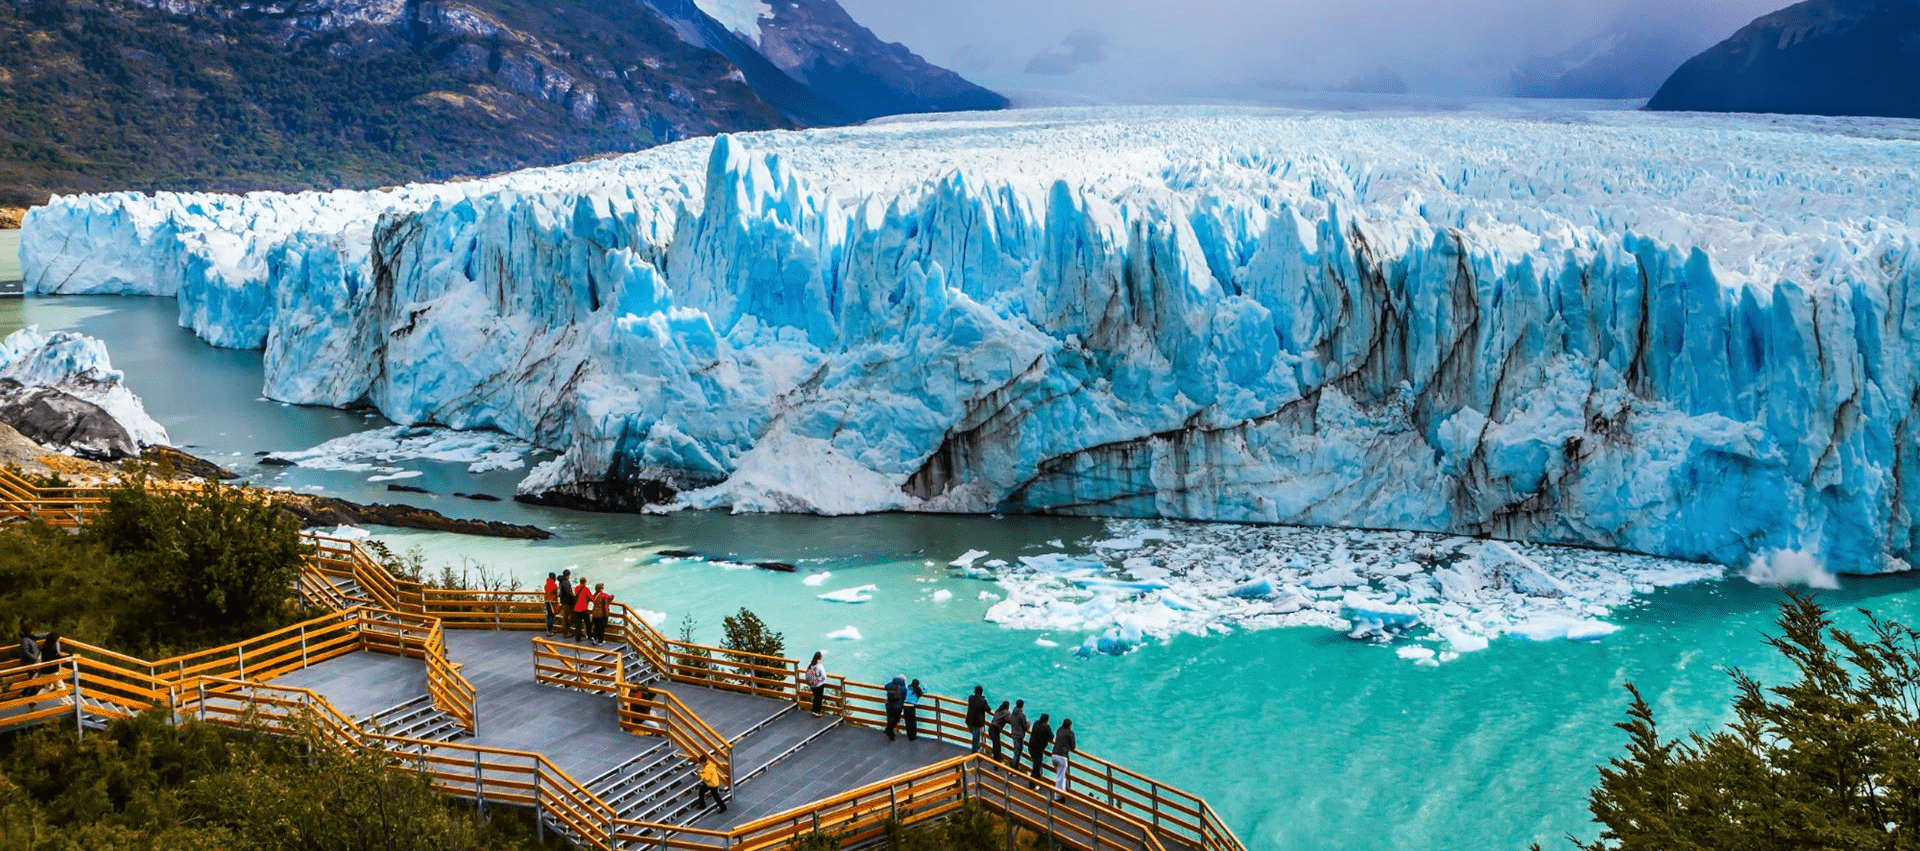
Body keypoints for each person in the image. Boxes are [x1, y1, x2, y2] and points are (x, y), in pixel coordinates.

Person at [14, 623, 46, 696]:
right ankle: (25, 694)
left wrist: (49, 634)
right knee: (34, 679)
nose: (32, 632)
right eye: (31, 630)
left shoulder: (30, 637)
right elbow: (25, 652)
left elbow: (39, 636)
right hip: (29, 663)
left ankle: (28, 694)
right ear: (28, 631)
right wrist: (34, 658)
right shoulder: (25, 640)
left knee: (34, 678)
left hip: (32, 662)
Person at [1052, 718, 1076, 800]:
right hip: (1062, 757)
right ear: (1070, 726)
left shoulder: (1059, 730)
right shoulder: (1070, 733)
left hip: (1054, 755)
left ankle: (1062, 792)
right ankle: (1059, 796)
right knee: (1061, 777)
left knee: (1059, 776)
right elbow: (1073, 747)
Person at [1026, 713, 1053, 782]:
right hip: (1038, 750)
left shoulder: (1036, 723)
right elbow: (1051, 736)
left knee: (1036, 765)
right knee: (1036, 766)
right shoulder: (1046, 727)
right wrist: (1048, 726)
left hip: (1031, 747)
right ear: (1046, 720)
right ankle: (1033, 783)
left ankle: (1037, 779)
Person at [966, 685, 990, 753]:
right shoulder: (983, 701)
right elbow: (988, 709)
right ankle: (975, 753)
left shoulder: (970, 698)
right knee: (976, 739)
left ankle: (977, 750)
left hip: (969, 721)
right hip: (977, 723)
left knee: (975, 737)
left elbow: (975, 700)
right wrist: (983, 699)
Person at [1007, 700, 1029, 771]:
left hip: (1013, 733)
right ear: (1022, 706)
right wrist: (1029, 723)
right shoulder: (1022, 715)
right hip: (1019, 736)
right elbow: (1025, 727)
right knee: (1018, 752)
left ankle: (1013, 766)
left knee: (1016, 751)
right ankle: (1014, 768)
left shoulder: (1013, 713)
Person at [883, 674, 907, 741]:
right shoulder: (903, 688)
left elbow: (886, 686)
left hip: (889, 705)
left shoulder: (892, 683)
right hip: (897, 706)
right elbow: (904, 697)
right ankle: (890, 732)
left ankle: (888, 730)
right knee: (896, 719)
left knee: (890, 718)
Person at [805, 652, 827, 716]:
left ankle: (814, 711)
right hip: (818, 685)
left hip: (811, 684)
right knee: (819, 698)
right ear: (820, 658)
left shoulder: (810, 664)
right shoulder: (820, 665)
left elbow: (807, 672)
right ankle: (818, 712)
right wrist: (819, 679)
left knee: (815, 697)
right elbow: (824, 676)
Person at [571, 577, 592, 641]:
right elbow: (591, 597)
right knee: (588, 623)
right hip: (583, 609)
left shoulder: (576, 588)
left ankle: (578, 638)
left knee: (578, 624)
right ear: (584, 582)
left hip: (576, 609)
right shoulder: (586, 589)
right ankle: (589, 636)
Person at [557, 569, 576, 635]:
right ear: (568, 575)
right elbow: (569, 592)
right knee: (567, 617)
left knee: (565, 617)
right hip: (568, 602)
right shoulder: (566, 582)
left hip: (563, 601)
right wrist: (575, 598)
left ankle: (566, 631)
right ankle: (566, 632)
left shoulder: (561, 581)